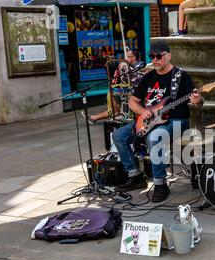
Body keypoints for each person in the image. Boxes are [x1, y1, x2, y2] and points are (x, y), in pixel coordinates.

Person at [112, 40, 204, 202]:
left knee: (154, 137)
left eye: (158, 56)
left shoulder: (180, 76)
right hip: (149, 120)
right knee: (119, 136)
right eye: (152, 56)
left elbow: (198, 102)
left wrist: (197, 100)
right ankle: (135, 176)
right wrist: (144, 112)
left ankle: (160, 184)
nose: (154, 60)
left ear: (168, 56)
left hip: (177, 121)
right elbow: (133, 101)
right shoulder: (148, 77)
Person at [82, 49, 145, 124]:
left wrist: (124, 68)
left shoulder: (140, 65)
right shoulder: (132, 66)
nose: (126, 59)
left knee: (115, 99)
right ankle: (94, 118)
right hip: (129, 91)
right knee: (114, 95)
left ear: (134, 58)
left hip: (135, 93)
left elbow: (134, 80)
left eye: (127, 57)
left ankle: (94, 118)